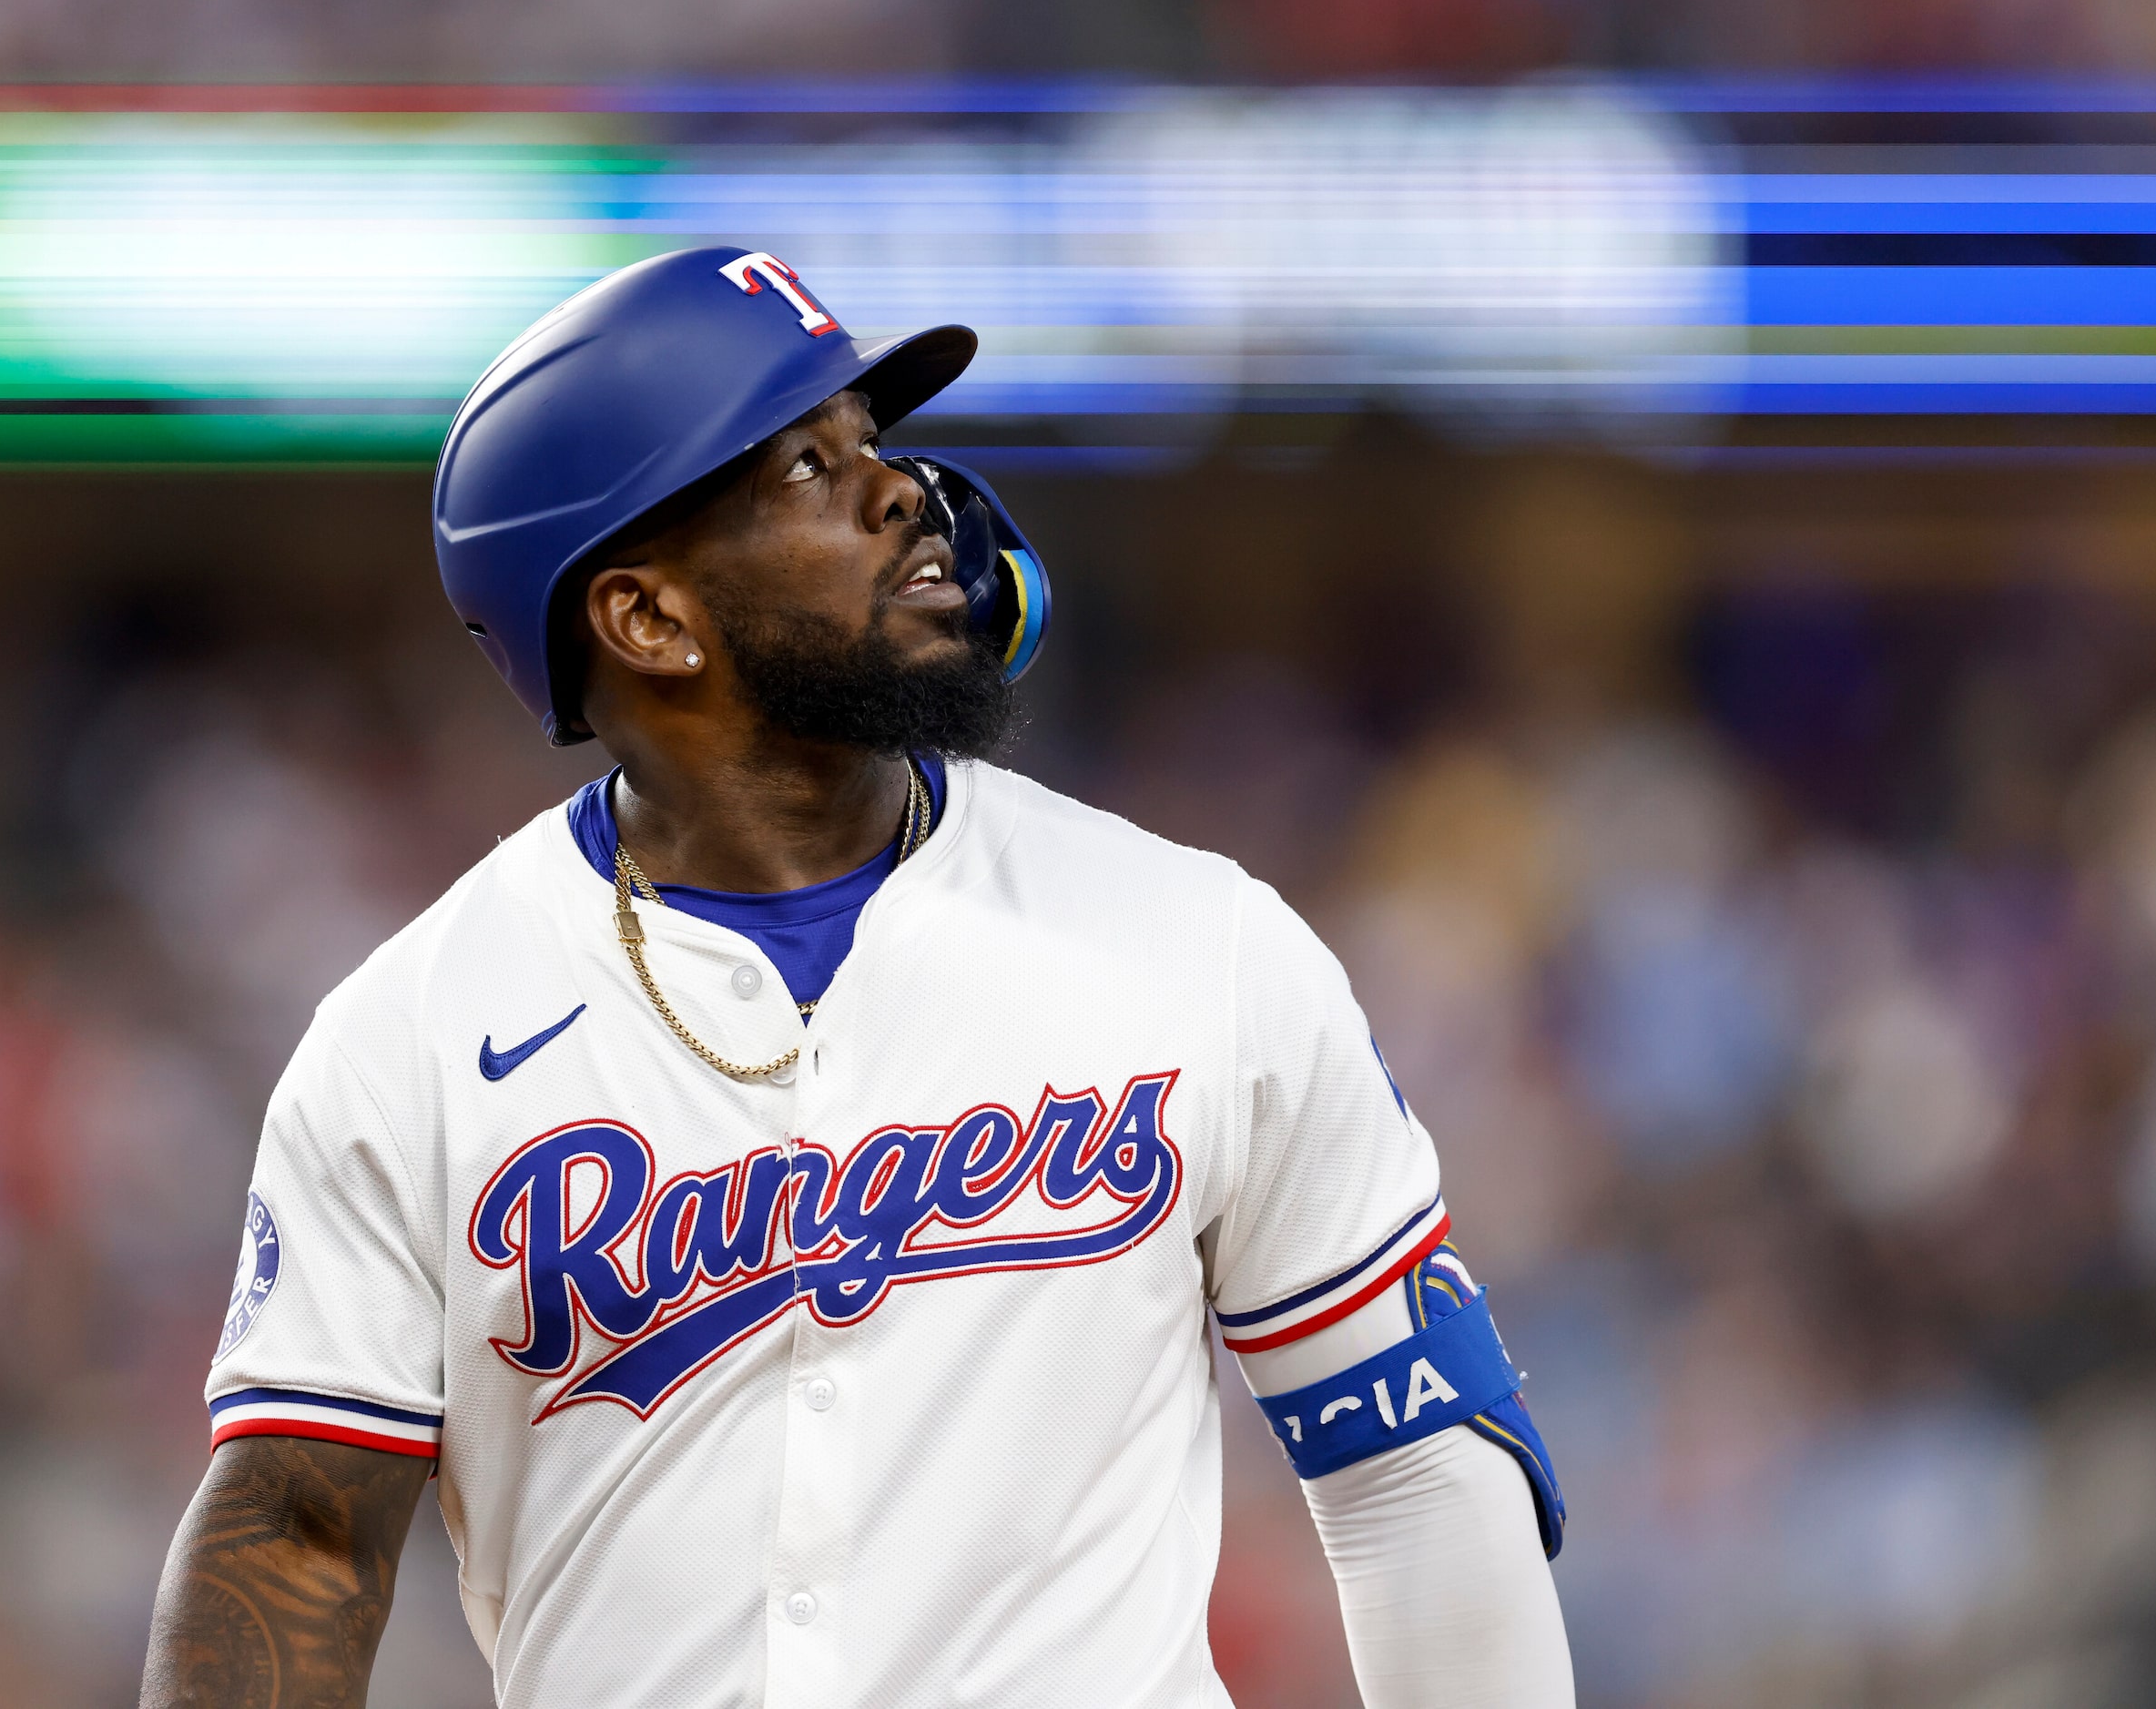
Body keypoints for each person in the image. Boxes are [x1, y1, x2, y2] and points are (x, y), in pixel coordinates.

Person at [137, 246, 1574, 1708]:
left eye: (872, 442)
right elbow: (302, 1541)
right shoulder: (413, 1037)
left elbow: (1413, 1470)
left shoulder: (1198, 939)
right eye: (806, 471)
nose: (904, 491)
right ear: (648, 620)